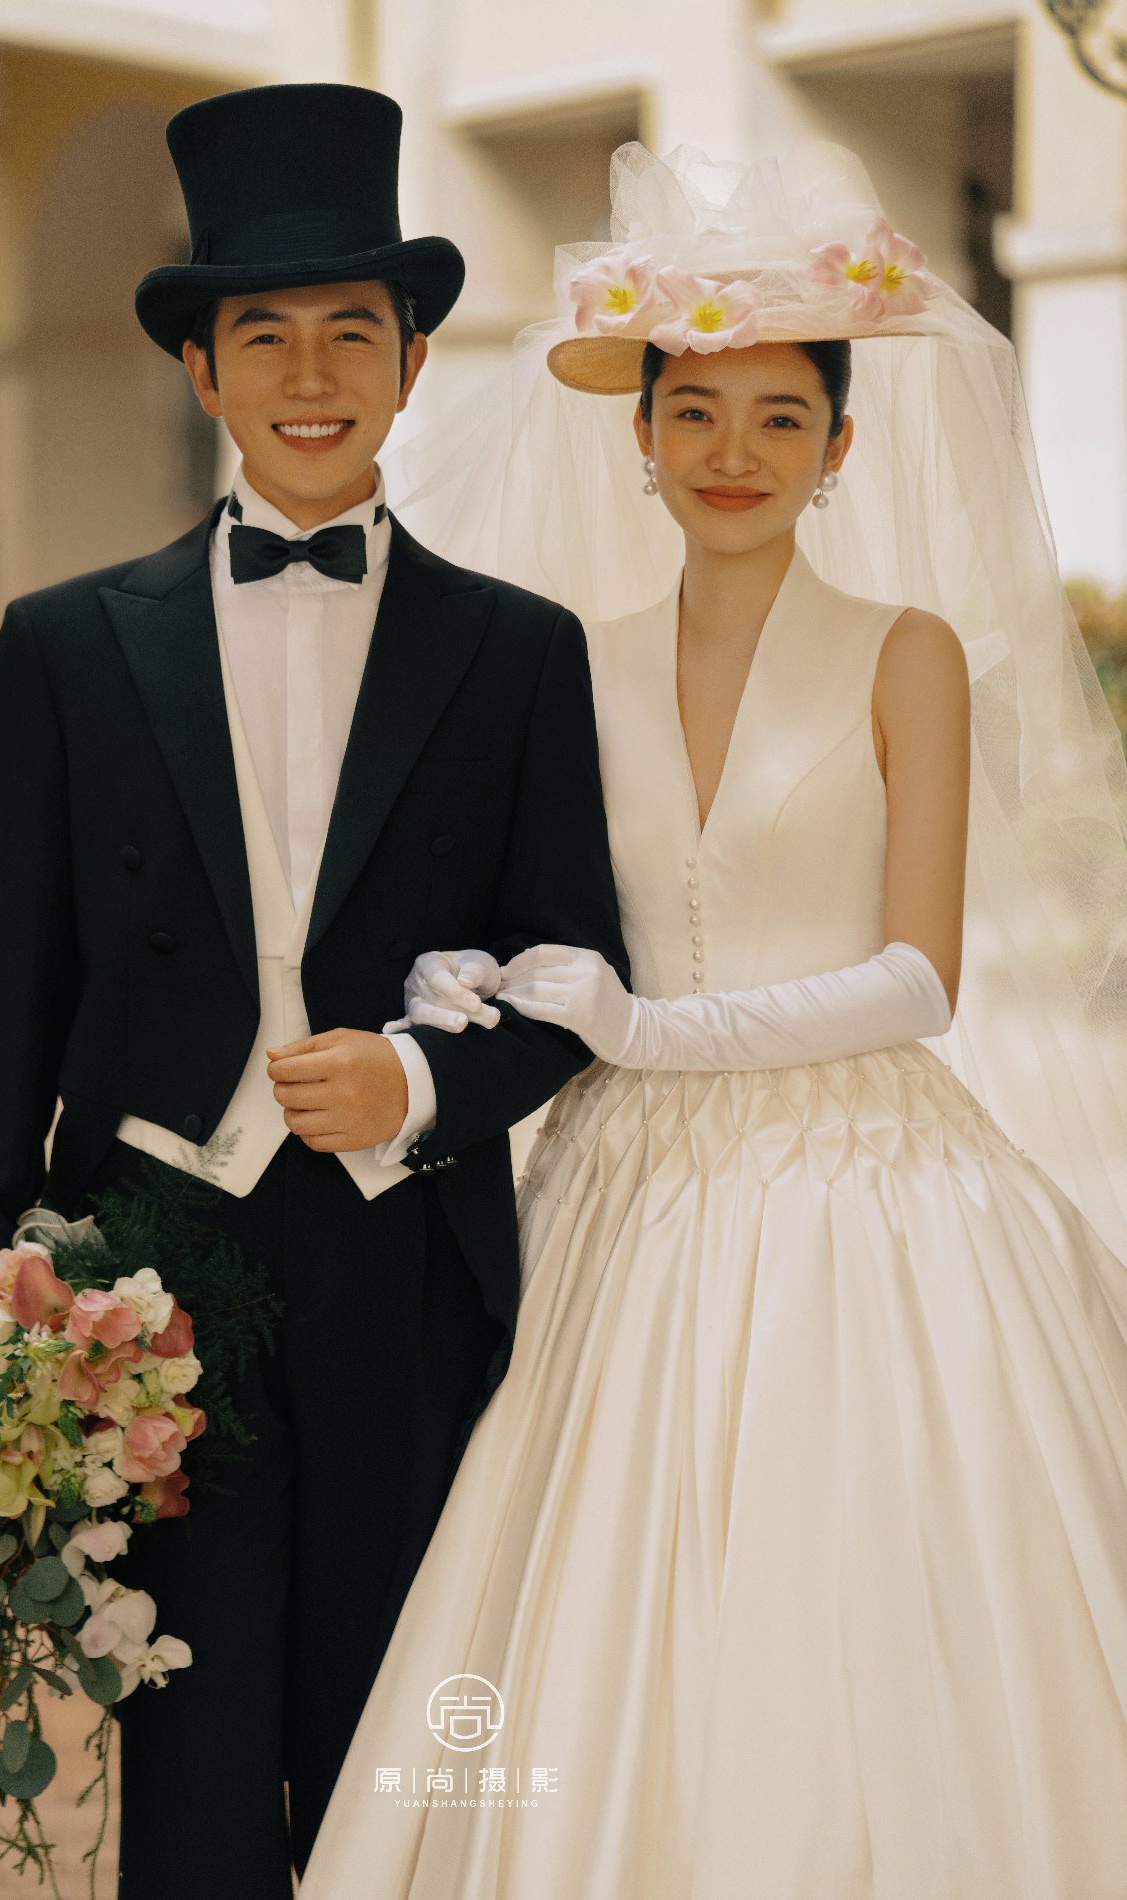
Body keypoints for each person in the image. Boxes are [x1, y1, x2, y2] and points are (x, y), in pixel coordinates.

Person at [298, 141, 1127, 1896]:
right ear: (643, 434)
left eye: (777, 417)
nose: (731, 452)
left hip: (866, 1184)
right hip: (625, 1194)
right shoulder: (559, 659)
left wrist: (647, 1028)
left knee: (866, 1592)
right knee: (589, 1570)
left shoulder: (908, 651)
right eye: (694, 412)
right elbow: (528, 917)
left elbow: (921, 980)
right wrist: (465, 984)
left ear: (839, 448)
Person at [0, 83, 627, 1890]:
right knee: (197, 1766)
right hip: (151, 1283)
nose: (310, 376)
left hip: (410, 1270)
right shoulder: (67, 645)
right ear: (202, 371)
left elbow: (579, 967)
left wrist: (425, 1083)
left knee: (411, 1749)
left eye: (351, 334)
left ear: (413, 361)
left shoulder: (518, 651)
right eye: (264, 337)